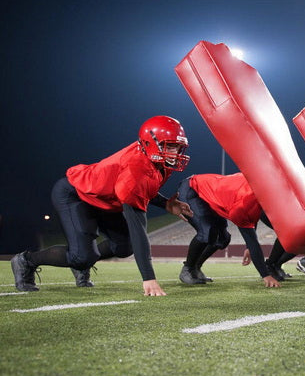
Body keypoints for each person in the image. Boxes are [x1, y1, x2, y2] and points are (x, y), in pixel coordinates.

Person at [11, 115, 193, 296]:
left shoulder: (157, 161)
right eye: (170, 146)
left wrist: (165, 204)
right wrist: (148, 277)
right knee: (81, 257)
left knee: (124, 246)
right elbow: (138, 226)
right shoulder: (135, 167)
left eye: (178, 147)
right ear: (149, 143)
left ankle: (83, 262)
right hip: (77, 194)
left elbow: (145, 186)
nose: (175, 153)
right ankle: (26, 260)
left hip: (105, 200)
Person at [177, 172, 288, 288]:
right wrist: (266, 275)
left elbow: (252, 219)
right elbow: (252, 240)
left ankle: (195, 268)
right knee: (207, 231)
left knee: (223, 238)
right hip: (192, 188)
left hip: (212, 194)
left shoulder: (259, 187)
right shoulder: (243, 205)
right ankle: (187, 268)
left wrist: (248, 247)